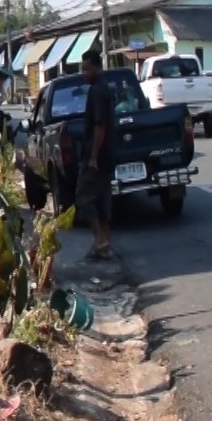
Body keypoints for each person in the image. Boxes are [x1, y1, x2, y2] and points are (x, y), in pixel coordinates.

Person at [77, 48, 116, 262]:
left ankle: (100, 239)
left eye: (87, 69)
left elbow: (99, 126)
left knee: (83, 198)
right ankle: (104, 246)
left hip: (97, 156)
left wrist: (92, 156)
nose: (85, 74)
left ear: (97, 68)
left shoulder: (98, 91)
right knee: (101, 201)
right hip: (107, 154)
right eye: (83, 70)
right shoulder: (102, 88)